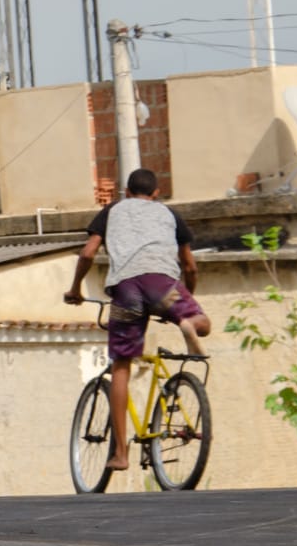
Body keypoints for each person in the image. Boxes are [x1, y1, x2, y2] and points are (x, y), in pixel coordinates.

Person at [63, 167, 210, 472]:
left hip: (126, 290)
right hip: (163, 286)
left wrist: (75, 289)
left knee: (121, 366)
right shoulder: (169, 214)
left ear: (126, 192)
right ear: (156, 193)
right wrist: (184, 305)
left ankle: (120, 454)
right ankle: (190, 323)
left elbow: (88, 253)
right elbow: (190, 266)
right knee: (203, 323)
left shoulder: (112, 210)